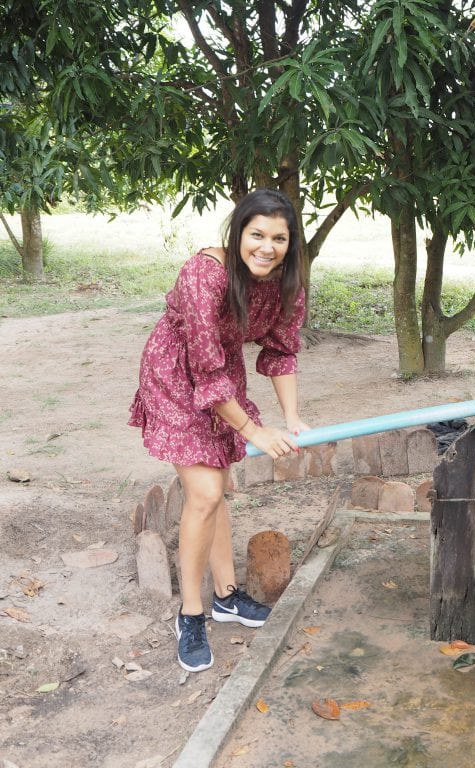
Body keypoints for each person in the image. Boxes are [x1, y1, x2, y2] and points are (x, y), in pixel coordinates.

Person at [129, 188, 309, 672]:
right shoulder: (203, 273)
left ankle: (228, 597)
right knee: (206, 492)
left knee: (214, 486)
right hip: (176, 374)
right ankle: (191, 614)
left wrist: (291, 418)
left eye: (278, 238)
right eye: (256, 234)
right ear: (238, 233)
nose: (266, 247)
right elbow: (204, 370)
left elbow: (281, 351)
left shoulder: (285, 284)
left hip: (221, 376)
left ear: (291, 244)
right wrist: (255, 429)